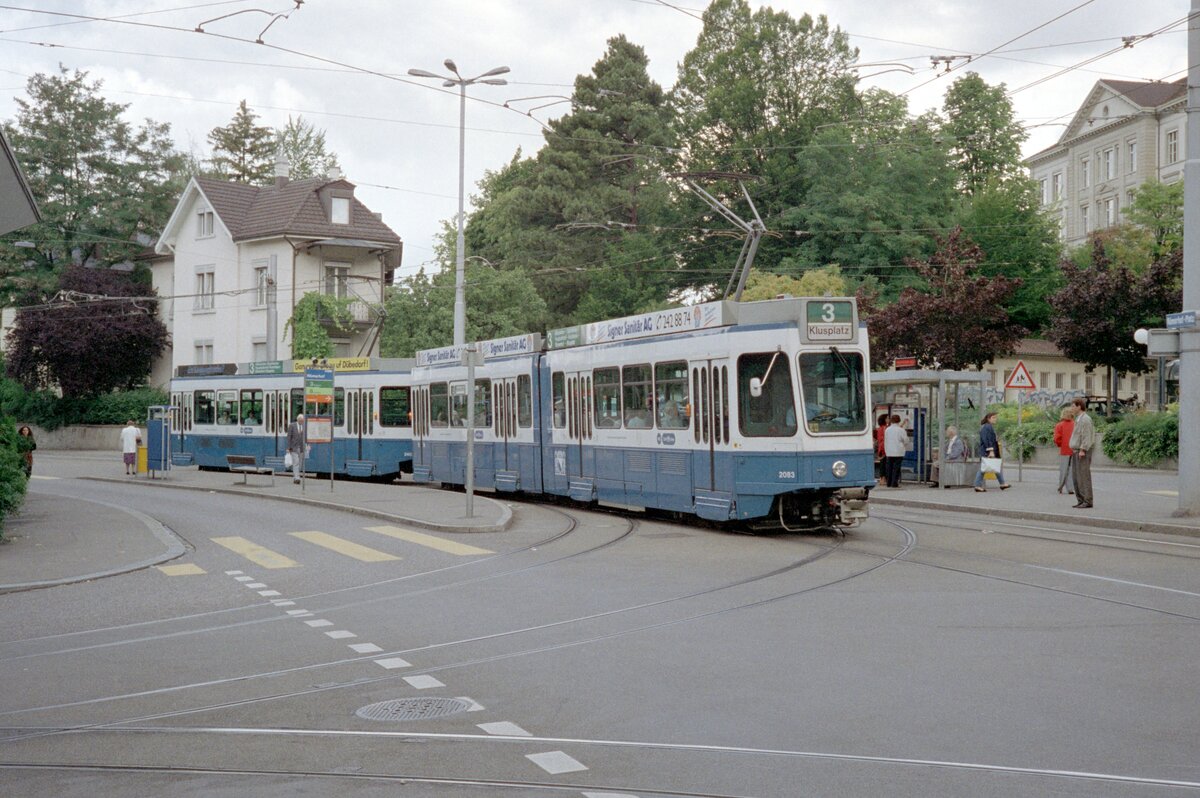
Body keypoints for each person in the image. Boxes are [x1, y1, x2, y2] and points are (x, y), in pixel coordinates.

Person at [973, 412, 1011, 492]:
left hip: (987, 450)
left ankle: (1002, 483)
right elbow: (987, 440)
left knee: (995, 466)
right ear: (988, 418)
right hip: (988, 451)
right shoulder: (987, 427)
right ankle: (977, 485)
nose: (995, 419)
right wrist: (991, 451)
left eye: (995, 417)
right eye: (993, 417)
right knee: (983, 468)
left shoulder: (987, 427)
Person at [1069, 397, 1095, 509]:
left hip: (1081, 451)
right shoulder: (1079, 419)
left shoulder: (1085, 419)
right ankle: (1080, 499)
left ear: (1079, 406)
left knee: (1083, 476)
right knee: (1076, 477)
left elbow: (1086, 435)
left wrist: (1083, 449)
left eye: (1073, 406)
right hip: (1076, 451)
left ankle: (1087, 500)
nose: (1072, 408)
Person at [1053, 406, 1076, 495]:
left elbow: (1057, 438)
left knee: (1063, 469)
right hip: (1074, 449)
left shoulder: (1059, 425)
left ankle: (1061, 486)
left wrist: (1060, 444)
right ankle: (1070, 488)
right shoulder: (1075, 424)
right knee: (1071, 469)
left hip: (1064, 449)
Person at [882, 414, 909, 488]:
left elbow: (886, 440)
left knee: (889, 468)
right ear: (899, 420)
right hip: (898, 451)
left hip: (889, 451)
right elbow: (905, 440)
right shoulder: (901, 430)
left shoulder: (887, 430)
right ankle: (894, 483)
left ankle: (889, 483)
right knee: (896, 468)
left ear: (891, 421)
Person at [286, 413, 306, 484]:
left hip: (301, 448)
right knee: (296, 462)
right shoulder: (292, 425)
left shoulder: (304, 426)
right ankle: (297, 478)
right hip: (294, 448)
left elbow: (305, 437)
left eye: (302, 421)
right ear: (298, 420)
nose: (302, 422)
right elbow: (289, 437)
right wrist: (288, 448)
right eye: (301, 421)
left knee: (300, 463)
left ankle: (296, 475)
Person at [875, 414, 889, 478]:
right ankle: (884, 478)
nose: (889, 420)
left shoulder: (879, 428)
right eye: (887, 418)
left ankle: (882, 478)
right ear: (884, 420)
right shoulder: (885, 428)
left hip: (881, 448)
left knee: (882, 464)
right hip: (885, 448)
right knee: (885, 464)